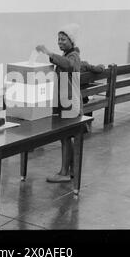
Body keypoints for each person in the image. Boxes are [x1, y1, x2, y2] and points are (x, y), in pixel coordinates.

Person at [36, 23, 83, 183]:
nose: (60, 42)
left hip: (70, 104)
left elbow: (69, 65)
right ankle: (69, 171)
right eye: (58, 39)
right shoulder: (70, 55)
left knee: (65, 138)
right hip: (66, 103)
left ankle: (64, 173)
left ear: (71, 40)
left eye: (63, 39)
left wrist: (49, 52)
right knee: (66, 138)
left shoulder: (73, 56)